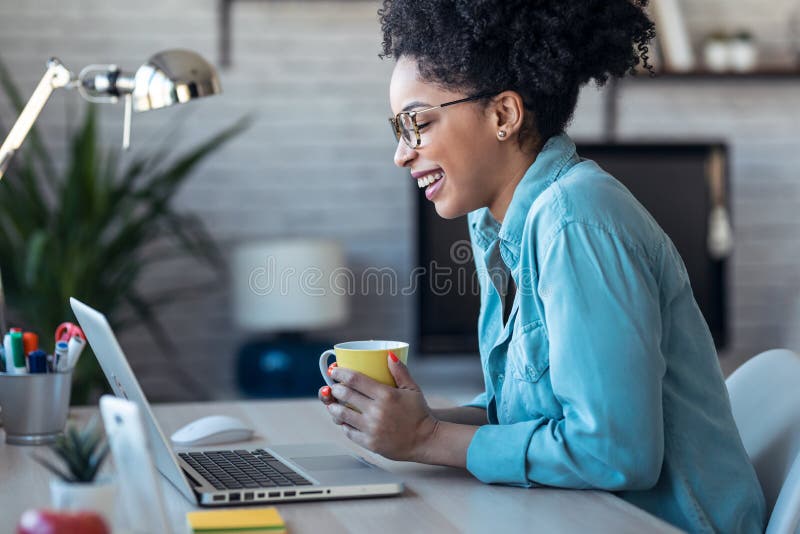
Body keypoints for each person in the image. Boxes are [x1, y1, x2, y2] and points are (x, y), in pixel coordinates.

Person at [318, 1, 766, 531]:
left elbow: (613, 452)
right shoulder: (501, 225)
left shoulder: (577, 219)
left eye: (417, 123)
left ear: (503, 115)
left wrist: (425, 440)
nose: (401, 153)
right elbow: (525, 414)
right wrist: (415, 419)